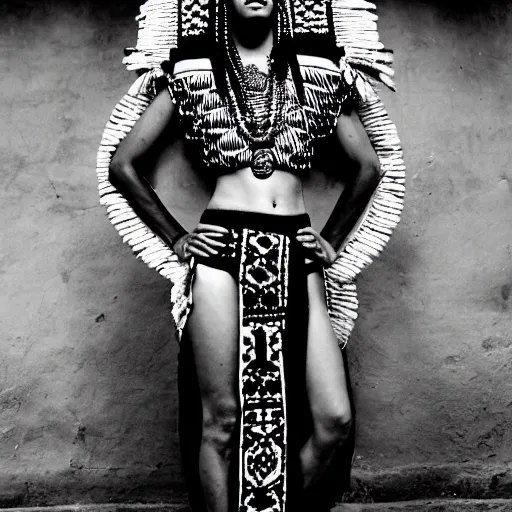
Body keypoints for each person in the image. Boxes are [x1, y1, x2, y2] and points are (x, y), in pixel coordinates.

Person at [101, 0, 404, 510]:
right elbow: (124, 165)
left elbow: (368, 167)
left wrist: (331, 238)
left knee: (334, 421)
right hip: (222, 249)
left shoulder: (320, 70)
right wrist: (177, 237)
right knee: (222, 420)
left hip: (297, 250)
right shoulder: (191, 70)